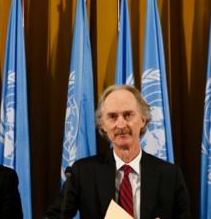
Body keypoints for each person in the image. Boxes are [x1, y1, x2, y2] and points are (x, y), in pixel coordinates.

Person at [44, 84, 191, 219]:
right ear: (102, 125)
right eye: (112, 117)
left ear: (143, 120)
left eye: (128, 115)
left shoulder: (170, 175)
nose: (121, 124)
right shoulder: (82, 173)